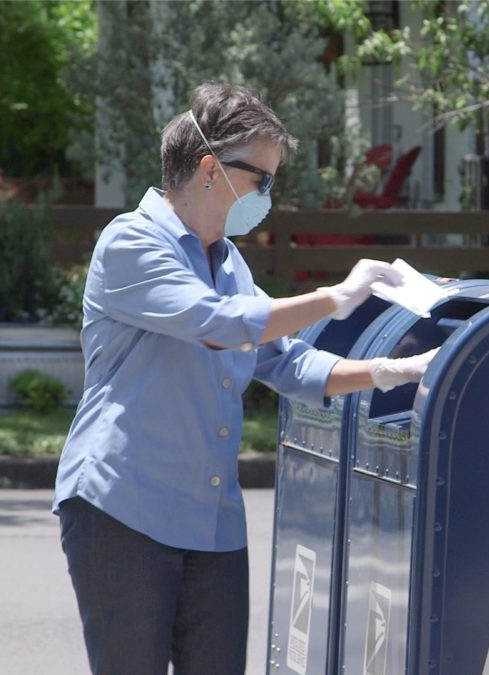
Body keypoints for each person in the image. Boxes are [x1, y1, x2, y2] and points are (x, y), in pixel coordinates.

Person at [53, 82, 436, 675]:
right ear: (210, 168)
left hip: (211, 521)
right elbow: (219, 324)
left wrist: (396, 371)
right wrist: (334, 298)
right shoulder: (130, 242)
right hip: (123, 509)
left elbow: (286, 361)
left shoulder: (227, 259)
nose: (267, 195)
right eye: (262, 179)